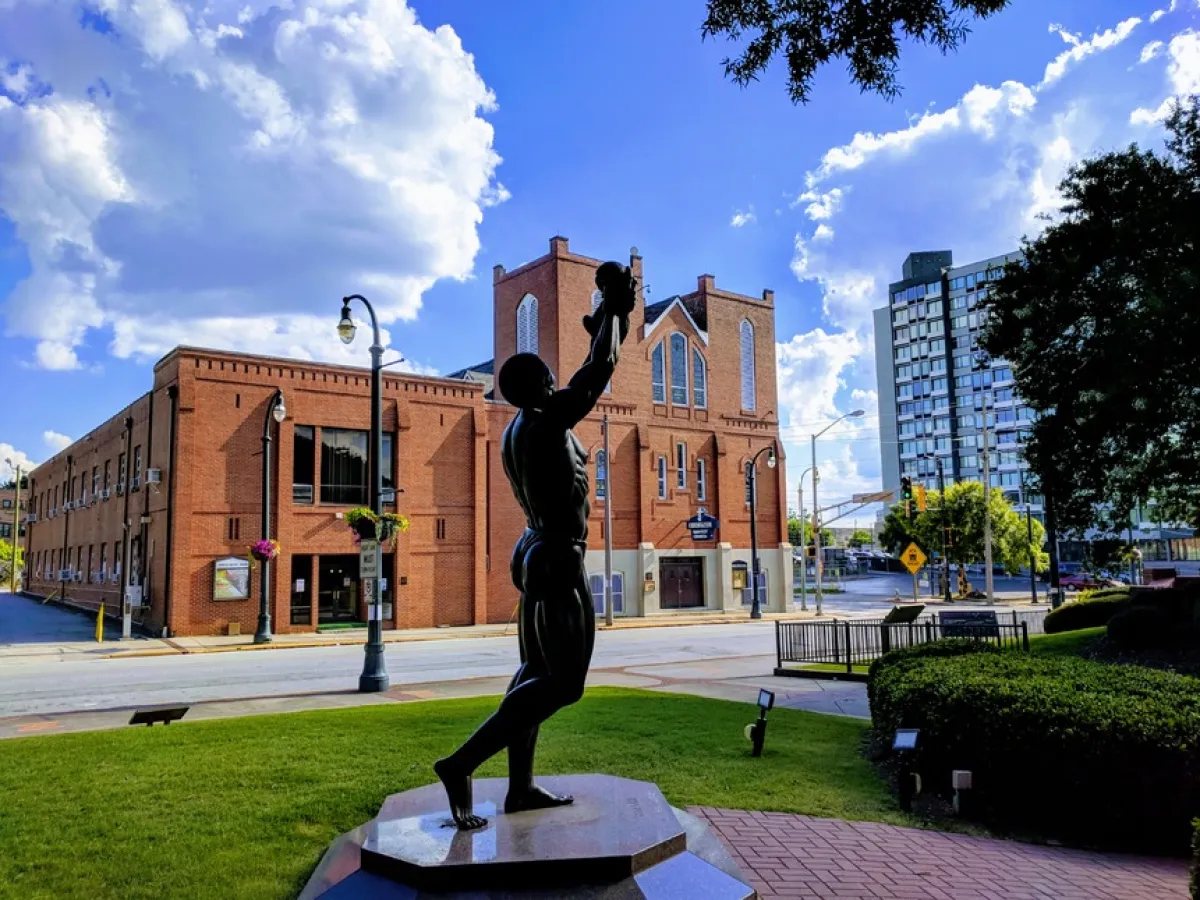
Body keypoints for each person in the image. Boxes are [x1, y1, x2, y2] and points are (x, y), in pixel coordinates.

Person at [434, 260, 637, 830]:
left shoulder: (518, 428)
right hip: (555, 553)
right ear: (541, 386)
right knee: (564, 683)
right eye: (551, 376)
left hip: (535, 548)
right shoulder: (548, 421)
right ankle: (461, 763)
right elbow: (599, 370)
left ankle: (519, 788)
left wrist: (603, 320)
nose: (559, 380)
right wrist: (616, 314)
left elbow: (590, 363)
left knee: (533, 669)